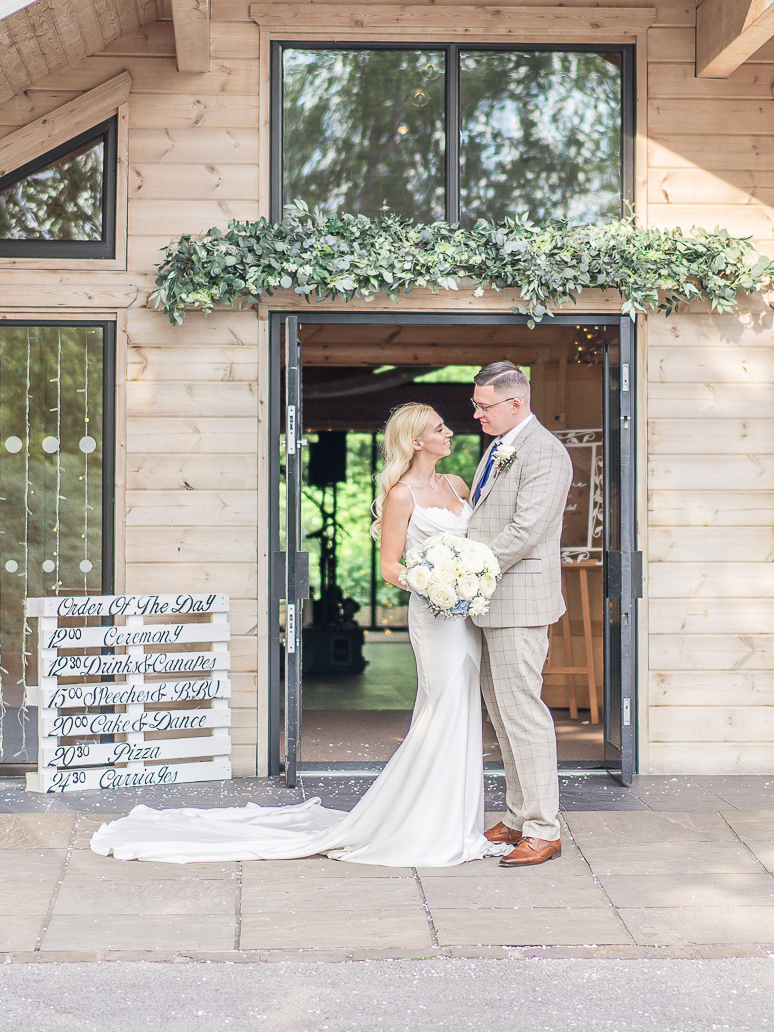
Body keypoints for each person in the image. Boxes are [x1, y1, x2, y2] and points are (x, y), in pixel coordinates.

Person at [90, 402, 505, 868]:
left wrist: (467, 576)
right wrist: (435, 581)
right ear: (415, 441)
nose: (449, 432)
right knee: (440, 710)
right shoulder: (401, 495)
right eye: (439, 428)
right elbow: (391, 567)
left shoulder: (457, 485)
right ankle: (425, 825)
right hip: (434, 616)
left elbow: (475, 546)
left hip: (466, 617)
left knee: (465, 709)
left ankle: (458, 823)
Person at [465, 361, 574, 867]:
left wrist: (468, 568)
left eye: (484, 406)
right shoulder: (499, 446)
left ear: (516, 403)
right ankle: (517, 816)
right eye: (475, 404)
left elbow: (527, 530)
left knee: (524, 714)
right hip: (493, 600)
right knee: (502, 714)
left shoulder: (546, 453)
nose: (476, 414)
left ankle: (544, 829)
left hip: (520, 602)